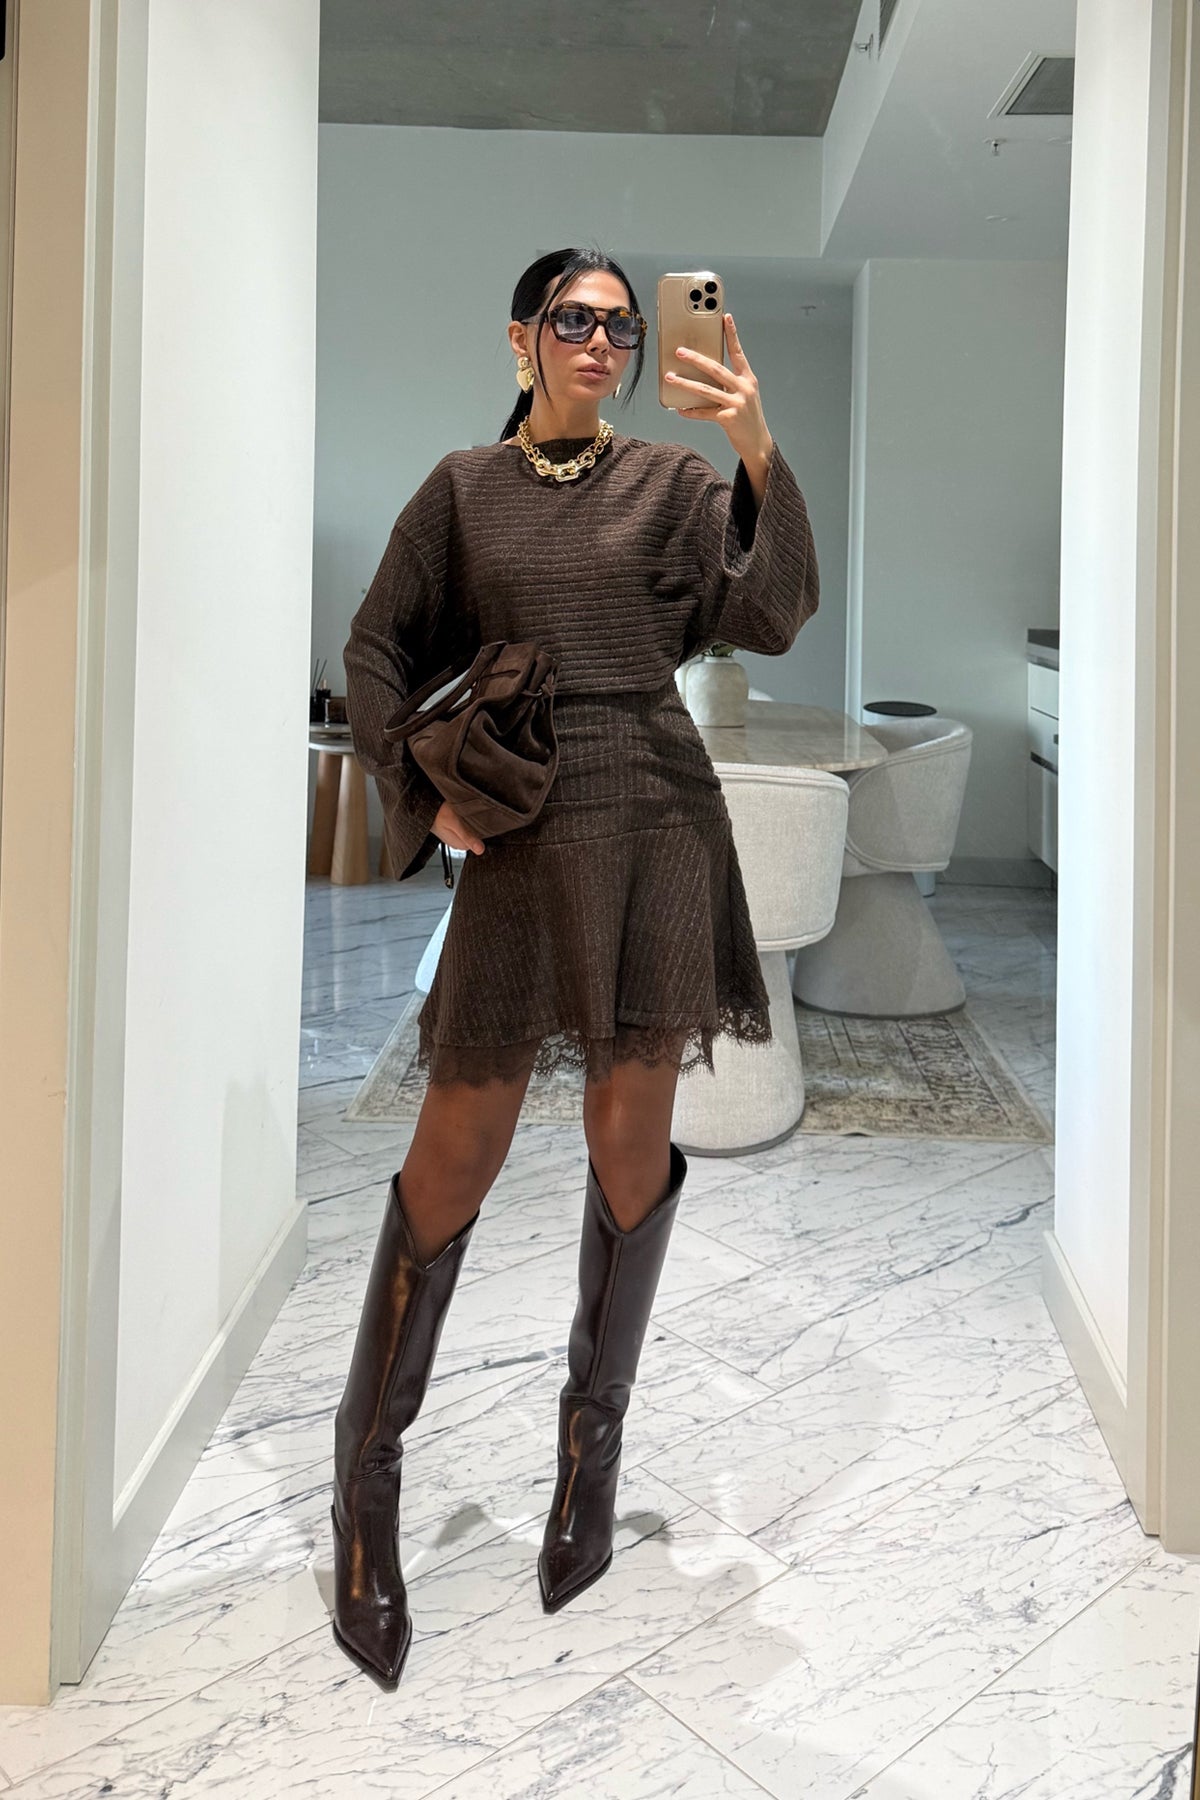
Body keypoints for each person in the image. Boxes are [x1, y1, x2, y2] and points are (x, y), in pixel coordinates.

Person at [330, 246, 820, 1688]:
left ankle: (587, 1466)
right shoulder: (462, 489)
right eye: (577, 321)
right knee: (454, 1151)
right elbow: (375, 647)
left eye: (620, 326)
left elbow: (773, 612)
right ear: (524, 337)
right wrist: (426, 795)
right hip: (526, 827)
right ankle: (367, 1488)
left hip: (657, 819)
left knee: (627, 1144)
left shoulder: (676, 481)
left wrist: (754, 439)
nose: (604, 342)